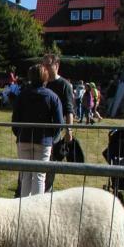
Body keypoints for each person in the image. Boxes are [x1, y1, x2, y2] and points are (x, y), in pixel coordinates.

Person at [12, 64, 64, 197]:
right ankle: (37, 206)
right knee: (40, 176)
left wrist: (19, 134)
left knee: (25, 176)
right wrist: (51, 138)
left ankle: (24, 205)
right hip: (44, 140)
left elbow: (15, 120)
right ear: (46, 77)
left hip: (24, 139)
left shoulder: (22, 95)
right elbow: (59, 123)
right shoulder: (52, 97)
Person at [42, 53, 75, 192]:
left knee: (50, 164)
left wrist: (69, 130)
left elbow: (69, 110)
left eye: (48, 65)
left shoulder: (64, 85)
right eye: (43, 64)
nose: (45, 67)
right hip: (39, 130)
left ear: (56, 65)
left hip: (54, 132)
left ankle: (47, 192)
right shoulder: (42, 82)